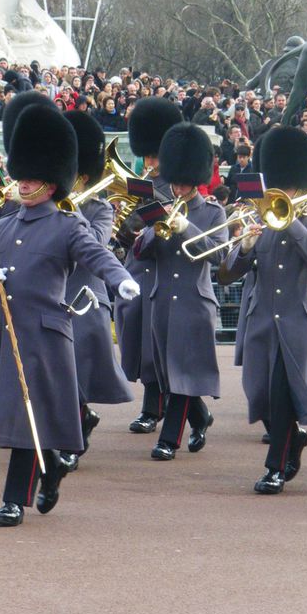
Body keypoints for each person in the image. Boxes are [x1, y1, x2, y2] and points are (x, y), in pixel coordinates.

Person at [0, 105, 139, 527]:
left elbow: (97, 255)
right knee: (11, 415)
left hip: (44, 335)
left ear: (49, 182)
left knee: (28, 416)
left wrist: (120, 281)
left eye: (30, 178)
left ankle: (13, 500)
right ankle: (52, 467)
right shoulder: (5, 225)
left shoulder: (67, 224)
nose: (21, 184)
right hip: (6, 336)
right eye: (20, 177)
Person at [225, 127, 307, 493]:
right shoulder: (259, 215)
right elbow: (229, 272)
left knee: (285, 393)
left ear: (298, 186)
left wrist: (293, 222)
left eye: (287, 188)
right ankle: (292, 439)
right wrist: (244, 245)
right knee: (261, 394)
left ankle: (275, 468)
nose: (281, 193)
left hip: (296, 319)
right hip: (261, 318)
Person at [135, 122, 228, 461]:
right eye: (175, 180)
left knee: (184, 371)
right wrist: (154, 233)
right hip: (161, 300)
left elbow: (219, 254)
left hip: (194, 300)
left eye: (183, 180)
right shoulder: (160, 206)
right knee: (170, 372)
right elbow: (140, 253)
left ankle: (168, 440)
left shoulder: (213, 211)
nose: (178, 186)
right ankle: (200, 418)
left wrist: (186, 226)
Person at [59, 111, 135, 470]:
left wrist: (72, 213)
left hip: (86, 298)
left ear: (84, 176)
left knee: (74, 371)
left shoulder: (99, 207)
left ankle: (71, 438)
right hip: (54, 297)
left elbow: (97, 246)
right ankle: (77, 422)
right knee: (56, 372)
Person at [115, 97, 181, 434]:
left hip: (162, 271)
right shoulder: (137, 185)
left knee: (158, 344)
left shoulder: (175, 187)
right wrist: (122, 220)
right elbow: (127, 237)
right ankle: (169, 406)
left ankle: (163, 408)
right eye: (149, 155)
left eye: (155, 156)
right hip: (138, 269)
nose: (151, 162)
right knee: (139, 341)